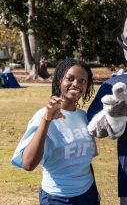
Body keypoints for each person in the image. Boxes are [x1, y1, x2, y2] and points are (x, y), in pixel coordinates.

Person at [11, 58, 99, 205]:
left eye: (82, 80)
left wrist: (94, 194)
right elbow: (28, 164)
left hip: (87, 194)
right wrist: (47, 120)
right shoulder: (42, 116)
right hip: (57, 198)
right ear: (59, 81)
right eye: (70, 79)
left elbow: (85, 163)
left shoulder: (84, 117)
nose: (76, 84)